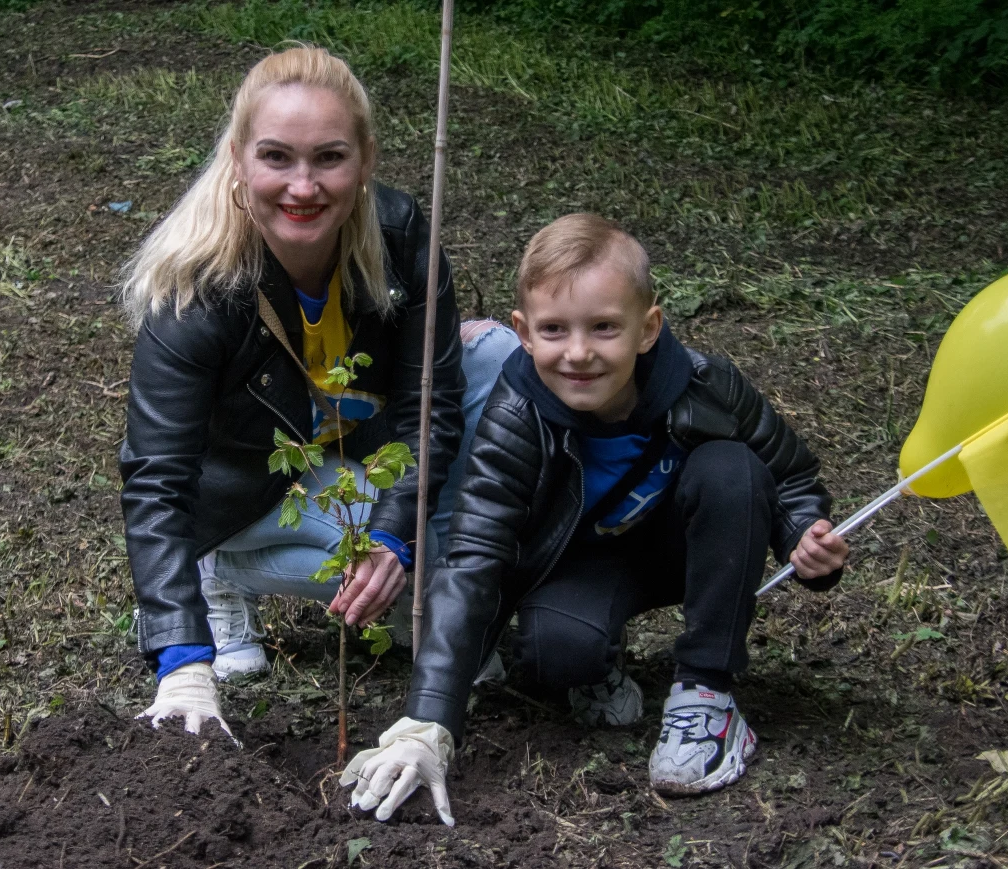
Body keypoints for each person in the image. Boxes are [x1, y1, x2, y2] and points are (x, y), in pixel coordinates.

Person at [340, 213, 849, 825]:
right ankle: (599, 660)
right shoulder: (515, 415)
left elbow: (790, 476)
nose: (578, 353)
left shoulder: (707, 386)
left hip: (687, 548)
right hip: (580, 563)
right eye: (554, 329)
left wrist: (804, 537)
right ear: (523, 333)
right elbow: (473, 553)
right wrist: (428, 720)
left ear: (647, 327)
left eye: (605, 328)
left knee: (731, 468)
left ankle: (707, 693)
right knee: (558, 657)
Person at [118, 45, 518, 734]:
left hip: (347, 449)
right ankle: (217, 574)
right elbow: (158, 479)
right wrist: (182, 660)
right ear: (239, 159)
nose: (303, 186)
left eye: (328, 157)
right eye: (277, 157)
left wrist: (398, 541)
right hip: (243, 486)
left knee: (497, 355)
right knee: (363, 536)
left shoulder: (400, 238)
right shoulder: (196, 287)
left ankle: (434, 602)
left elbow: (436, 406)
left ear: (365, 160)